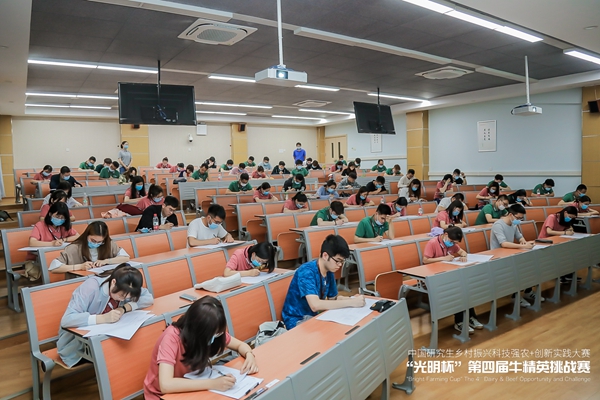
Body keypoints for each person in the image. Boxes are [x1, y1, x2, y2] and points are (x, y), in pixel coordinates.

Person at [143, 296, 258, 399]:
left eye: (217, 333)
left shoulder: (213, 333)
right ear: (198, 329)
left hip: (193, 385)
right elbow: (166, 385)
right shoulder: (171, 338)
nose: (214, 338)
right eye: (211, 334)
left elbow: (240, 345)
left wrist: (249, 355)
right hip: (162, 395)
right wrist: (213, 383)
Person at [59, 265, 153, 367]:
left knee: (136, 347)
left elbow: (148, 298)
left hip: (109, 338)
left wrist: (124, 308)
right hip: (77, 345)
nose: (123, 299)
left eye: (128, 297)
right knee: (124, 356)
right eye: (121, 295)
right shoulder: (91, 287)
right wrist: (103, 318)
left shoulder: (129, 285)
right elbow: (67, 319)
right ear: (113, 282)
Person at [282, 235, 365, 329]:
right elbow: (315, 305)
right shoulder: (306, 271)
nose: (340, 265)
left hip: (314, 316)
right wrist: (352, 302)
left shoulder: (329, 271)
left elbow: (333, 299)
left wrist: (352, 299)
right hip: (297, 320)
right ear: (325, 256)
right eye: (338, 261)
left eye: (342, 262)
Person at [421, 226, 478, 333]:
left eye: (455, 243)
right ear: (445, 235)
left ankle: (471, 317)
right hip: (433, 277)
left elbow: (463, 252)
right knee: (458, 291)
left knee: (465, 289)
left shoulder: (452, 244)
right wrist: (443, 258)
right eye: (452, 241)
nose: (452, 244)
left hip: (447, 275)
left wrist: (463, 256)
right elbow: (425, 260)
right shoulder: (432, 243)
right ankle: (460, 322)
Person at [491, 204, 536, 306]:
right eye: (518, 218)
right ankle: (515, 297)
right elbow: (503, 244)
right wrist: (522, 246)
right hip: (498, 256)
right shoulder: (498, 225)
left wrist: (524, 242)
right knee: (519, 270)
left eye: (521, 218)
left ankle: (528, 291)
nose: (519, 220)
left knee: (530, 265)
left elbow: (519, 237)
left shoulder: (513, 224)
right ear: (511, 215)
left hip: (509, 253)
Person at [48, 221, 131, 273]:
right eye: (93, 240)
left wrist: (106, 261)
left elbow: (125, 257)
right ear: (86, 235)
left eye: (100, 242)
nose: (96, 244)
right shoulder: (74, 248)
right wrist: (80, 266)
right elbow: (54, 268)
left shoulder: (108, 244)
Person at [26, 202, 80, 280]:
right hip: (38, 260)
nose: (60, 219)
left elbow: (78, 236)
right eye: (57, 216)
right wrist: (52, 243)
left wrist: (64, 239)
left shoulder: (64, 226)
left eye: (62, 218)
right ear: (50, 214)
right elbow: (32, 242)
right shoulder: (40, 225)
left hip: (59, 259)